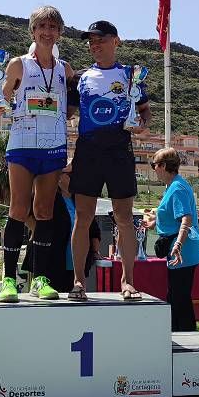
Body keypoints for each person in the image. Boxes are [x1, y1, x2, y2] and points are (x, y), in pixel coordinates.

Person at [0, 5, 78, 303]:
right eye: (42, 27)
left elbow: (71, 104)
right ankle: (8, 280)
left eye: (52, 27)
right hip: (22, 145)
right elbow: (3, 94)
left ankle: (40, 279)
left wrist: (69, 111)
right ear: (33, 32)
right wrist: (1, 101)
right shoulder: (18, 64)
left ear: (59, 33)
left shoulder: (65, 69)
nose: (47, 32)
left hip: (53, 147)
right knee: (18, 209)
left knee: (44, 212)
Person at [68, 20, 150, 301]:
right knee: (82, 217)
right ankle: (78, 281)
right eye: (91, 41)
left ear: (116, 41)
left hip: (119, 151)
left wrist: (142, 124)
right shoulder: (79, 77)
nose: (95, 45)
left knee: (125, 218)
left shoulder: (131, 75)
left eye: (100, 39)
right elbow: (63, 111)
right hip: (88, 151)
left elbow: (144, 111)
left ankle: (128, 282)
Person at [143, 147, 199, 331]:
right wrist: (154, 222)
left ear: (162, 166)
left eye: (154, 165)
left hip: (182, 250)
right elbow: (173, 217)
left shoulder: (177, 188)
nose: (153, 169)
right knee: (177, 295)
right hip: (179, 250)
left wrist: (178, 244)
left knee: (179, 297)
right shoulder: (173, 186)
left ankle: (185, 336)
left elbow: (186, 218)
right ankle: (181, 334)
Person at [21, 165, 102, 293]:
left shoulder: (80, 199)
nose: (74, 178)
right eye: (69, 174)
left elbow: (93, 229)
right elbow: (25, 213)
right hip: (49, 260)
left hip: (74, 264)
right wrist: (37, 231)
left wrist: (95, 251)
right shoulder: (48, 194)